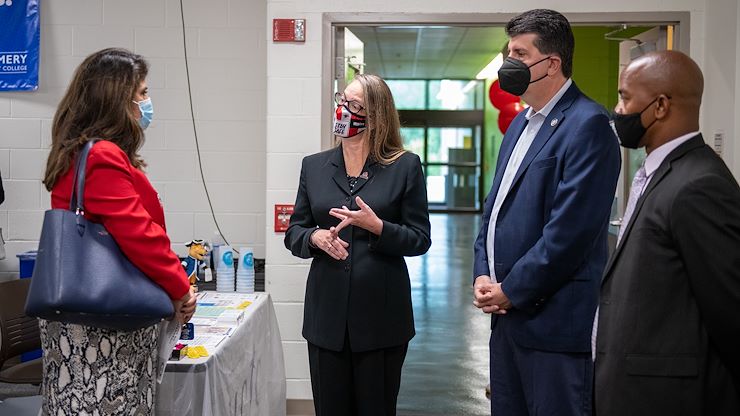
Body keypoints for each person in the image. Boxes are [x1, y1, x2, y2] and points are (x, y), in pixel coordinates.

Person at [471, 9, 621, 415]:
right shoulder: (520, 125)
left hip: (553, 325)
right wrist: (483, 273)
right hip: (507, 321)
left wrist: (511, 290)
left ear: (551, 63)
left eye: (519, 53)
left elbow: (569, 234)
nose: (509, 63)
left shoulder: (589, 124)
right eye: (509, 52)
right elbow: (493, 211)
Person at [41, 48, 196, 415]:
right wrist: (179, 287)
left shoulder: (83, 151)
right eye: (142, 93)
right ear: (116, 99)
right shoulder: (100, 155)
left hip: (94, 318)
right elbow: (138, 233)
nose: (147, 101)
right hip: (102, 327)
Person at [594, 50, 740, 415]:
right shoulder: (658, 173)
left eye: (625, 97)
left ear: (659, 106)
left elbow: (730, 311)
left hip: (666, 399)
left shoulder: (699, 185)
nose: (618, 109)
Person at [284, 73, 431, 416]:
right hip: (327, 318)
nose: (342, 111)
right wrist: (315, 237)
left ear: (376, 114)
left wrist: (377, 226)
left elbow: (420, 238)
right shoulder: (314, 166)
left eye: (353, 105)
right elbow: (295, 231)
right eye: (341, 101)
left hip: (381, 318)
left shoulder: (405, 166)